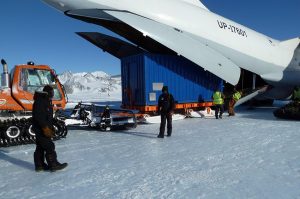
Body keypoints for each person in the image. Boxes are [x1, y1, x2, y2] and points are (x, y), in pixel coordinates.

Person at [33, 85, 67, 172]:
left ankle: (40, 165)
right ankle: (53, 164)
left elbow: (47, 116)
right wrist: (45, 128)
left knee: (40, 147)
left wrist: (51, 127)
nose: (53, 94)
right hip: (41, 128)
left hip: (43, 127)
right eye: (52, 92)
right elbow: (38, 116)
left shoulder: (46, 100)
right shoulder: (41, 101)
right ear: (48, 92)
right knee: (49, 146)